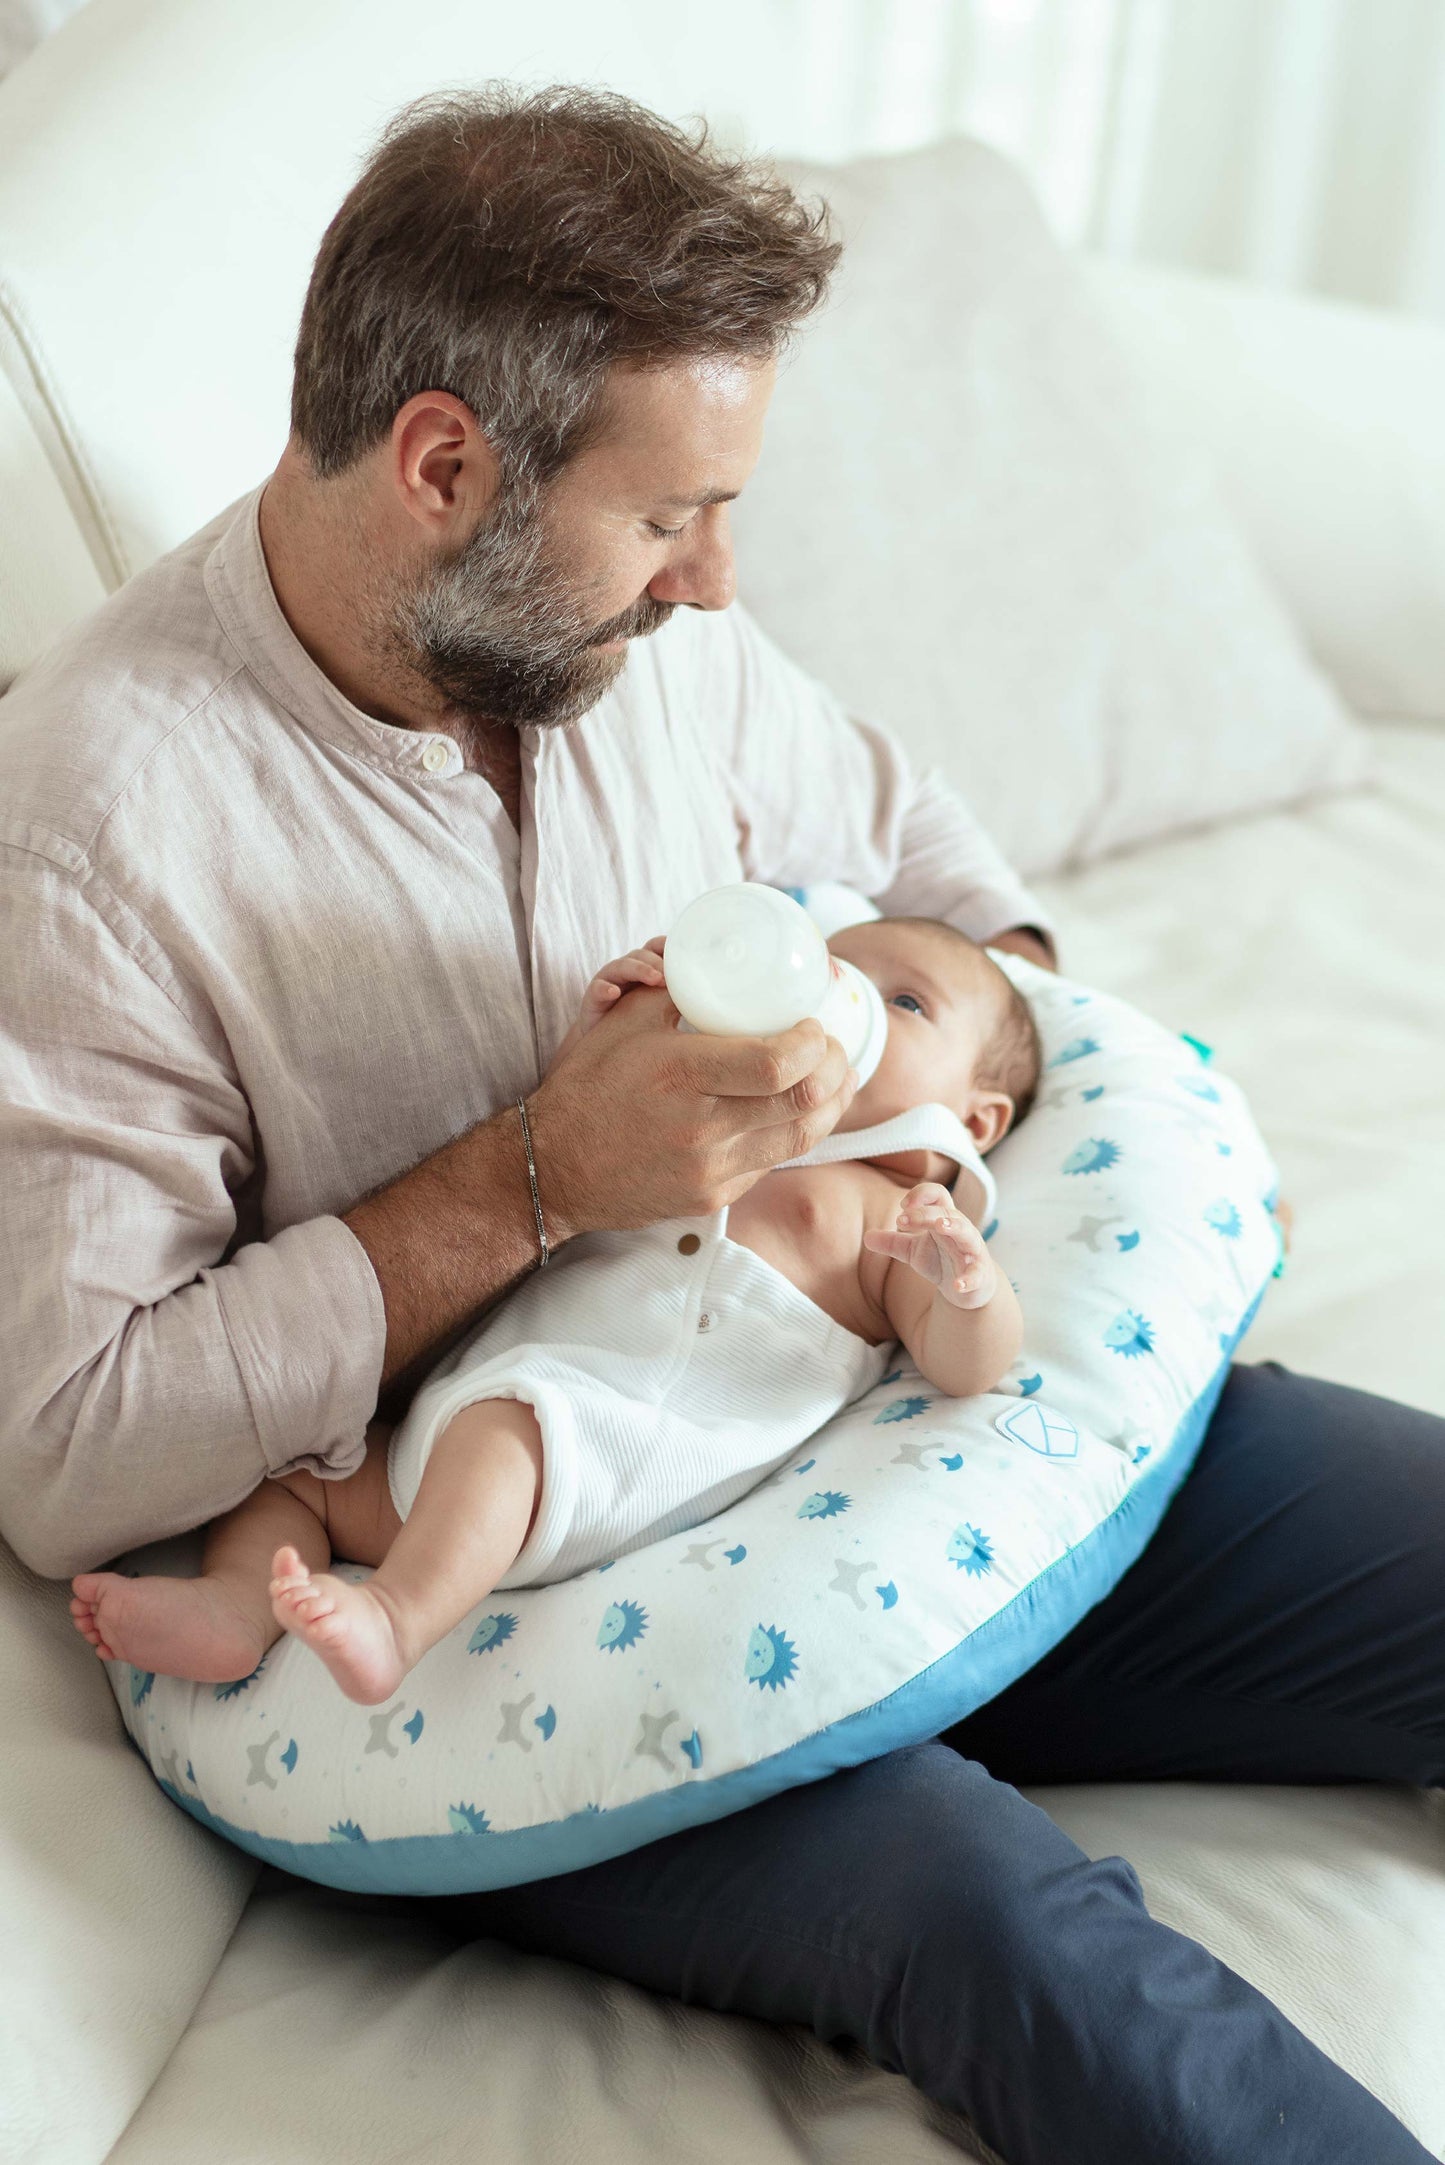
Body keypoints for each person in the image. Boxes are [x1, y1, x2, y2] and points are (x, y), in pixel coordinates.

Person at [0, 82, 1438, 2165]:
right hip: (516, 1603)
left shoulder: (649, 650)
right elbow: (63, 1449)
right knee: (1008, 1930)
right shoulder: (89, 837)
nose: (714, 577)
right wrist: (528, 1182)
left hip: (857, 1399)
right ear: (440, 465)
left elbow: (932, 858)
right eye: (672, 514)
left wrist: (940, 1056)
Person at [68, 918, 1038, 1702]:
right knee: (294, 1466)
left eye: (901, 1001)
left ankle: (396, 1620)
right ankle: (237, 1607)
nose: (838, 998)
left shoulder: (893, 1212)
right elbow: (572, 1157)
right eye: (833, 964)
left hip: (611, 1442)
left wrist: (965, 1284)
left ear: (975, 1116)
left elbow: (968, 1363)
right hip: (471, 1426)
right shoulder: (717, 1118)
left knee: (509, 1426)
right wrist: (619, 1028)